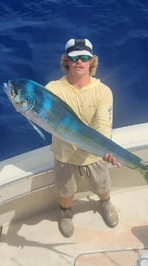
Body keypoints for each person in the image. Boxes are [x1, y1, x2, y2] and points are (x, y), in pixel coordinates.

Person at [45, 38, 120, 238]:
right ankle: (66, 213)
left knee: (102, 185)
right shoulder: (52, 90)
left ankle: (105, 203)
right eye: (74, 58)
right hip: (64, 155)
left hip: (95, 155)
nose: (79, 62)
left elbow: (103, 124)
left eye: (84, 57)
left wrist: (106, 149)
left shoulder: (103, 91)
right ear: (67, 61)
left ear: (91, 61)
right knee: (65, 191)